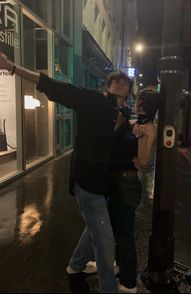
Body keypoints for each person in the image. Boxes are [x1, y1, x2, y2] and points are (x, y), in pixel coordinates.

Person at [0, 51, 133, 293]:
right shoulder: (92, 100)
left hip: (105, 183)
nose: (122, 82)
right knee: (104, 241)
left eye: (126, 82)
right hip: (87, 181)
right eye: (117, 80)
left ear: (128, 92)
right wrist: (12, 67)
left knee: (94, 228)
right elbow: (53, 87)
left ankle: (76, 265)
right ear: (108, 85)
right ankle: (108, 288)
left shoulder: (122, 114)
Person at [109, 89, 159, 293]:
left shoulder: (147, 127)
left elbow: (142, 161)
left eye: (142, 103)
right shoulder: (138, 124)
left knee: (126, 234)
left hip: (127, 184)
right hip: (120, 183)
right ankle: (120, 268)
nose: (138, 105)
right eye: (139, 101)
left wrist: (138, 138)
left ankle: (129, 282)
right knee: (119, 231)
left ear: (149, 107)